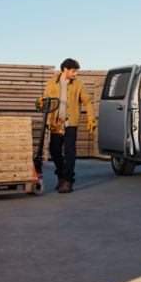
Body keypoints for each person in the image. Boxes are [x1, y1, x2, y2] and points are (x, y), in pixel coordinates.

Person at [43, 58, 96, 193]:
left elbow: (87, 102)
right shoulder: (51, 83)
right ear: (65, 70)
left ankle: (67, 181)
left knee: (70, 151)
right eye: (73, 71)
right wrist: (47, 118)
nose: (75, 74)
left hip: (71, 122)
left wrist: (91, 118)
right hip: (56, 122)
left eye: (76, 71)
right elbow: (46, 100)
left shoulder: (78, 84)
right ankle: (61, 176)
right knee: (54, 150)